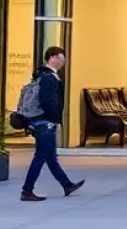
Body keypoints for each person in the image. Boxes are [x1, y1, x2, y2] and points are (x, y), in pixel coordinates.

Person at [20, 46, 85, 202]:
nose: (63, 62)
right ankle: (27, 190)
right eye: (61, 58)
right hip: (45, 123)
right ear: (52, 58)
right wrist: (54, 119)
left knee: (50, 157)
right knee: (41, 156)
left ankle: (67, 184)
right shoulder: (49, 78)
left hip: (40, 121)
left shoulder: (41, 75)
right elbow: (49, 101)